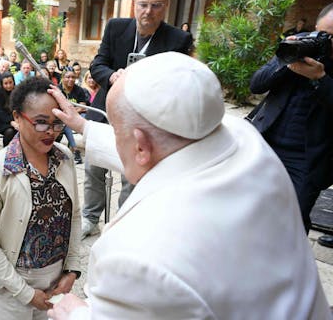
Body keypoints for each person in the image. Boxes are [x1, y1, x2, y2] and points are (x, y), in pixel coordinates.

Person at [46, 51, 330, 320]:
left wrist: (75, 314)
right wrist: (84, 126)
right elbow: (169, 152)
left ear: (141, 146)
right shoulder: (244, 137)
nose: (119, 142)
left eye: (119, 133)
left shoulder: (137, 258)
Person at [84, 0, 193, 238]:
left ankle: (123, 223)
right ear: (134, 3)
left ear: (165, 5)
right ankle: (90, 217)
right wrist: (113, 76)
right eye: (143, 4)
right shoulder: (115, 27)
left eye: (156, 5)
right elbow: (98, 64)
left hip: (144, 117)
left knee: (132, 174)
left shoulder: (178, 40)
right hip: (107, 108)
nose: (148, 11)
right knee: (93, 167)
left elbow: (177, 83)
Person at [0, 78, 81, 319]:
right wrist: (24, 292)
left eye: (56, 123)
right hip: (10, 285)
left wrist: (72, 270)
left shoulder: (64, 159)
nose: (51, 132)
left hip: (55, 281)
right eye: (41, 123)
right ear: (17, 118)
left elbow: (73, 216)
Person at [249, 3, 333, 242]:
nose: (326, 42)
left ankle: (291, 273)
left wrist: (321, 78)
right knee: (251, 210)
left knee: (292, 223)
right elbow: (257, 84)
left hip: (307, 158)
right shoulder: (296, 47)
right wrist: (285, 61)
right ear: (315, 28)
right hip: (266, 143)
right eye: (323, 34)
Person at [58, 68, 88, 164]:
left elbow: (83, 106)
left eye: (73, 77)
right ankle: (75, 150)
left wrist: (71, 111)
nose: (71, 79)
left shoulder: (79, 90)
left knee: (85, 120)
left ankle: (88, 147)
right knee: (66, 122)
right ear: (63, 78)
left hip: (76, 115)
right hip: (62, 117)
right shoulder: (58, 89)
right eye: (68, 77)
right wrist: (72, 110)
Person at [0, 71, 16, 146]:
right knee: (10, 132)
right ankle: (6, 150)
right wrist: (11, 122)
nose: (9, 85)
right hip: (2, 122)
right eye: (6, 83)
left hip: (16, 119)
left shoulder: (17, 91)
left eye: (10, 82)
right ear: (2, 84)